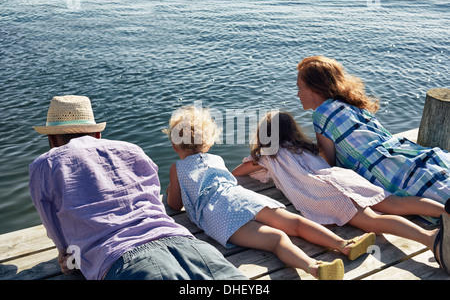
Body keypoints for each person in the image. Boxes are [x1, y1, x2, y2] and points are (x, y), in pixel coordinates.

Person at [29, 95, 247, 280]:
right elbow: (153, 200)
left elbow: (61, 239)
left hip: (126, 262)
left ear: (51, 139)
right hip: (190, 244)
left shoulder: (45, 165)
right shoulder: (132, 150)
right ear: (97, 134)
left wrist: (70, 261)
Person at [164, 105, 377, 280]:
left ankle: (313, 267)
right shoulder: (216, 160)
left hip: (218, 214)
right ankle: (344, 244)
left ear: (175, 145)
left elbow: (174, 204)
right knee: (295, 223)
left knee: (276, 239)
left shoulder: (176, 168)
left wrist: (171, 189)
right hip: (241, 198)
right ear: (208, 143)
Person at [232, 111, 450, 274]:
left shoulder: (265, 157)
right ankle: (445, 212)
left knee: (373, 222)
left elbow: (238, 172)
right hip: (342, 178)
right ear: (291, 130)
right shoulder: (305, 146)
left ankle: (430, 239)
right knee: (395, 204)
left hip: (323, 193)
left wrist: (257, 155)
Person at [295, 56, 450, 208]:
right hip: (401, 152)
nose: (297, 94)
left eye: (299, 88)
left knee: (428, 194)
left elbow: (329, 163)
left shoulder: (321, 114)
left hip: (380, 169)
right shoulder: (351, 105)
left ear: (313, 89)